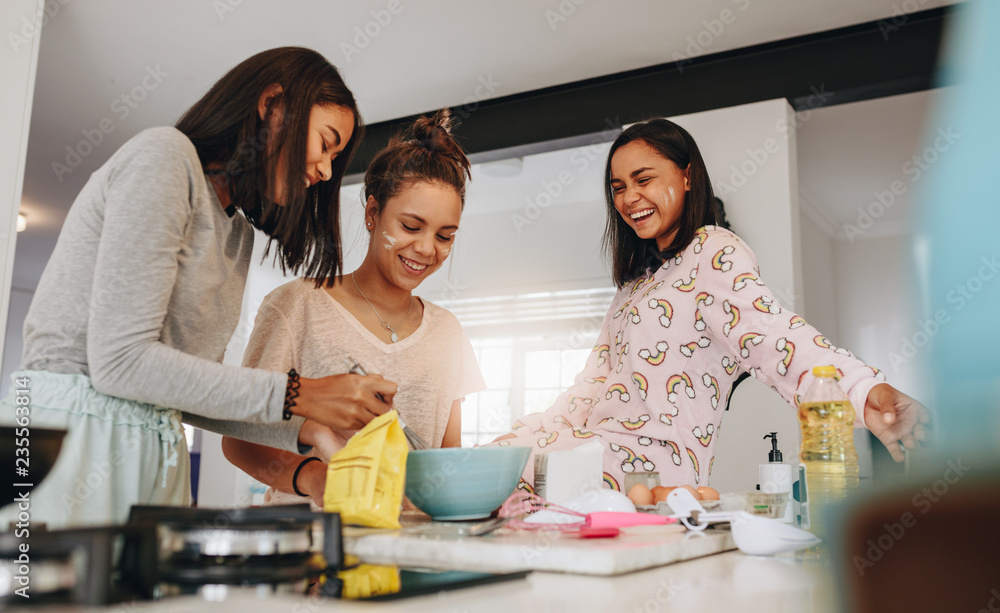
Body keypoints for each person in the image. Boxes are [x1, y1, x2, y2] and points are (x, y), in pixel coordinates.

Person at [0, 47, 398, 529]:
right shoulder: (165, 158)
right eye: (325, 143)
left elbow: (186, 390)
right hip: (65, 441)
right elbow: (120, 363)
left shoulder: (237, 234)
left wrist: (309, 429)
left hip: (153, 448)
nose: (326, 172)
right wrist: (301, 393)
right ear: (272, 104)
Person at [491, 118, 930, 491]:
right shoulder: (633, 287)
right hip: (596, 447)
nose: (628, 198)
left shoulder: (712, 250)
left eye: (644, 180)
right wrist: (528, 434)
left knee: (518, 476)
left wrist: (862, 388)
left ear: (686, 176)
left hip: (653, 467)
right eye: (618, 187)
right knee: (495, 463)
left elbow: (774, 335)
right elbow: (591, 385)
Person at [222, 110, 486, 508]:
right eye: (412, 227)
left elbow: (447, 456)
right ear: (372, 213)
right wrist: (314, 478)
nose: (428, 249)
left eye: (445, 236)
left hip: (413, 548)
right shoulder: (297, 306)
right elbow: (239, 440)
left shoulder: (448, 332)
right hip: (311, 546)